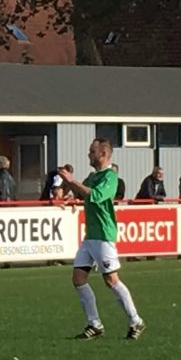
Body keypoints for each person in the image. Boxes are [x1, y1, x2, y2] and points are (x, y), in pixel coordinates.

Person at [58, 138, 146, 340]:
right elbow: (84, 192)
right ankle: (94, 324)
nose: (88, 154)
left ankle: (136, 320)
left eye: (92, 151)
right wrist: (71, 194)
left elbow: (95, 195)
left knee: (111, 280)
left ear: (103, 154)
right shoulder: (93, 176)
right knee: (78, 279)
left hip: (104, 235)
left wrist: (73, 182)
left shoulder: (110, 177)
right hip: (90, 236)